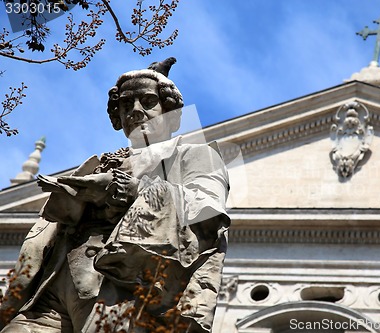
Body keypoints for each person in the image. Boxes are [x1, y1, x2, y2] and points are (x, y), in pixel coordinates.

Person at [0, 58, 230, 333]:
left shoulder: (194, 155)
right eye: (125, 104)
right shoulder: (99, 162)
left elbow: (207, 210)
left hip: (120, 284)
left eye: (148, 101)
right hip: (52, 282)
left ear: (170, 112)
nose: (135, 111)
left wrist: (130, 190)